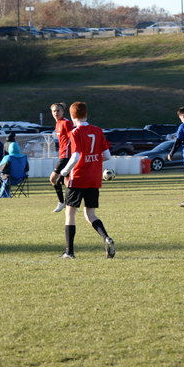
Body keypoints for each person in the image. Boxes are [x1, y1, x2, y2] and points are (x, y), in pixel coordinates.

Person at [59, 101, 115, 259]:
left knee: (70, 213)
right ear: (86, 114)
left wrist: (64, 172)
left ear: (72, 116)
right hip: (94, 178)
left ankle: (69, 252)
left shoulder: (75, 132)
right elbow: (107, 156)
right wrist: (93, 161)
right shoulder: (97, 130)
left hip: (78, 177)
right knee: (90, 214)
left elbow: (75, 156)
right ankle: (106, 238)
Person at [49, 102, 74, 213]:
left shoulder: (66, 123)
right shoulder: (58, 123)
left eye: (58, 110)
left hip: (67, 156)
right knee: (66, 181)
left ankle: (62, 202)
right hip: (63, 155)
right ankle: (70, 203)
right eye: (54, 111)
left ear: (63, 111)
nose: (56, 113)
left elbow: (73, 138)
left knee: (53, 179)